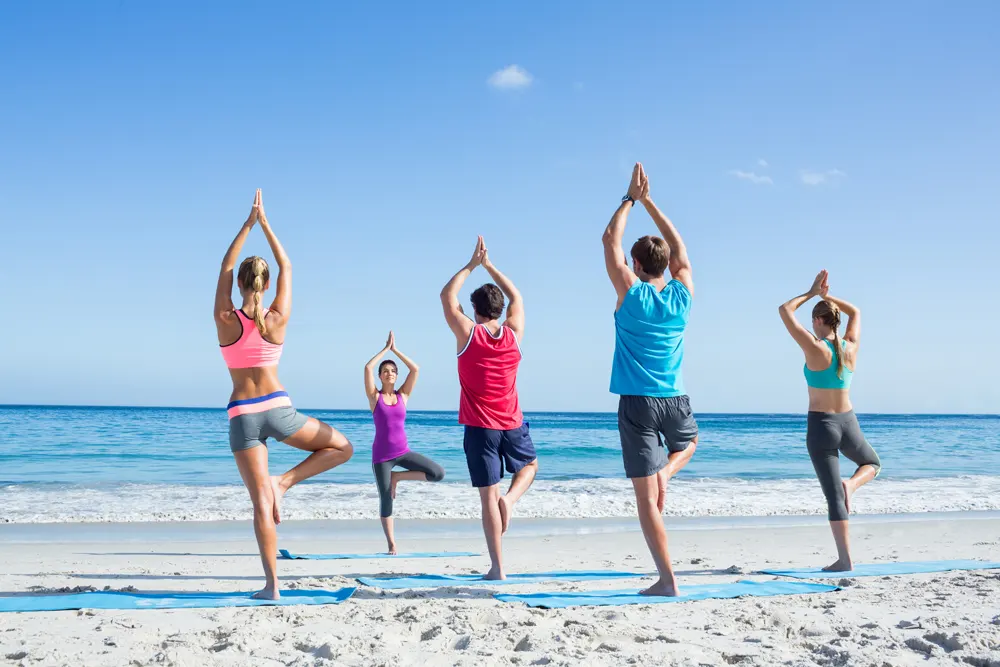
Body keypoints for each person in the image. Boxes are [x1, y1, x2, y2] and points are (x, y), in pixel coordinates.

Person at [214, 189, 353, 599]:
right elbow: (287, 263)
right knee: (342, 448)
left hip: (242, 415)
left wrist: (247, 223)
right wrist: (266, 223)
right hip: (279, 410)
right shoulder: (277, 318)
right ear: (267, 282)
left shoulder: (224, 318)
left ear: (239, 283)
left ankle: (272, 587)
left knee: (259, 503)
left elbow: (224, 265)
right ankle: (286, 482)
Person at [602, 163, 698, 596]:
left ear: (635, 264)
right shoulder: (682, 294)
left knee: (647, 502)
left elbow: (609, 240)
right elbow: (680, 250)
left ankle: (667, 579)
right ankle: (668, 470)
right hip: (675, 399)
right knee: (689, 443)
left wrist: (628, 199)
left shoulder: (631, 291)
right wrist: (651, 202)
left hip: (638, 403)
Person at [440, 236, 538, 580]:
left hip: (480, 429)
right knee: (529, 467)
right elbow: (518, 298)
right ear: (499, 309)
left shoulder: (468, 334)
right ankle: (510, 501)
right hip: (512, 423)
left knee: (487, 499)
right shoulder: (513, 334)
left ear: (476, 310)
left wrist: (471, 264)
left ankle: (497, 569)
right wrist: (491, 266)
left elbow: (446, 297)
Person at [779, 269, 880, 571]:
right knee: (873, 464)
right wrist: (828, 297)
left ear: (819, 321)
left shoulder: (815, 347)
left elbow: (784, 310)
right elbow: (856, 312)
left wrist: (812, 293)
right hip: (849, 423)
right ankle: (851, 485)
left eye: (814, 319)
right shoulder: (851, 346)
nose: (812, 325)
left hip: (821, 427)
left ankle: (845, 560)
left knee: (833, 496)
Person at [364, 331, 445, 555]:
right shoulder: (375, 397)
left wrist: (395, 350)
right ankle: (391, 544)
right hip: (381, 457)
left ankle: (398, 476)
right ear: (380, 376)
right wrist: (384, 350)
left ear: (397, 375)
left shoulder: (403, 396)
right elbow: (367, 368)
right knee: (386, 499)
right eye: (385, 371)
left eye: (393, 371)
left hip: (403, 452)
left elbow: (416, 369)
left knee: (437, 473)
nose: (389, 373)